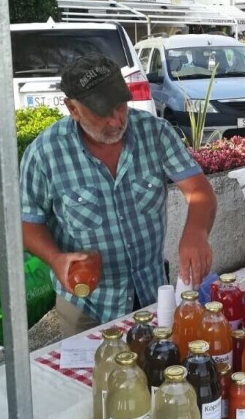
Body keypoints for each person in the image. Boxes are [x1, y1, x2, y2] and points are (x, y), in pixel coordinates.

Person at [20, 52, 218, 338]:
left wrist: (196, 233)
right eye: (102, 113)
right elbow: (27, 222)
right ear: (72, 108)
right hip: (87, 305)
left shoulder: (156, 133)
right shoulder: (45, 153)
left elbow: (199, 191)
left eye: (120, 106)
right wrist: (55, 259)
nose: (116, 120)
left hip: (150, 294)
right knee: (90, 368)